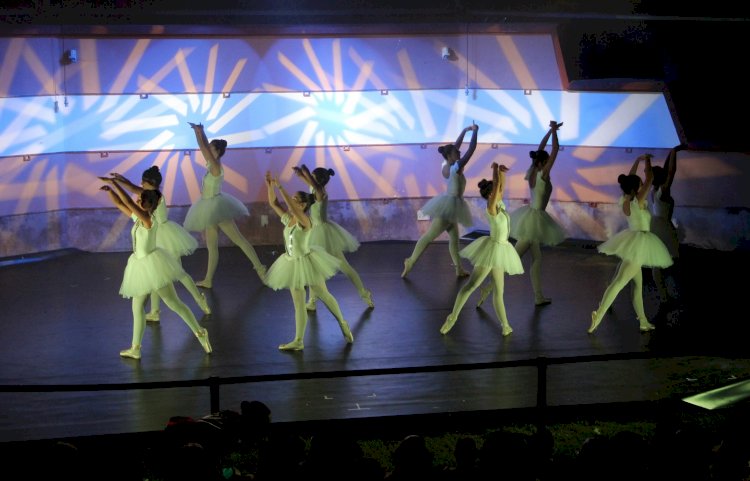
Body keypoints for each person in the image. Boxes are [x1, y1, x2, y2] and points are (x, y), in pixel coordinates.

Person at [99, 176, 212, 359]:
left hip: (152, 267)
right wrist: (111, 191)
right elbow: (121, 204)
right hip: (141, 266)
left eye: (141, 200)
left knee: (174, 303)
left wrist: (115, 184)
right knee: (137, 308)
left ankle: (200, 332)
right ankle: (135, 348)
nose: (137, 200)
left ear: (148, 204)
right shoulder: (138, 217)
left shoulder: (148, 220)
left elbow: (127, 201)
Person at [477, 120, 566, 308]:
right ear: (543, 162)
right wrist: (554, 132)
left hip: (533, 218)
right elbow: (555, 150)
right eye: (547, 160)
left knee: (537, 259)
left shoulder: (532, 170)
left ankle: (538, 296)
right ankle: (488, 286)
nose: (549, 162)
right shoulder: (542, 174)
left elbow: (541, 149)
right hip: (534, 219)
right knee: (512, 258)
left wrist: (550, 132)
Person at [263, 171, 354, 351]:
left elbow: (292, 207)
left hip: (307, 263)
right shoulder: (289, 220)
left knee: (324, 295)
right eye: (293, 198)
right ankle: (298, 340)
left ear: (303, 205)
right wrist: (269, 186)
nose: (292, 202)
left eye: (296, 199)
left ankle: (343, 323)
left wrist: (281, 186)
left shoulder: (305, 221)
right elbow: (273, 203)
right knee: (298, 305)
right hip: (291, 263)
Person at [588, 154, 674, 334]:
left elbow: (631, 178)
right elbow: (650, 178)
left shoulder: (625, 199)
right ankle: (599, 314)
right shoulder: (638, 201)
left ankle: (643, 321)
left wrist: (637, 161)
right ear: (636, 190)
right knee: (619, 283)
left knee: (637, 286)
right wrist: (648, 160)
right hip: (639, 243)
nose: (645, 185)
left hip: (635, 242)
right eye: (641, 186)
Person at [440, 163, 523, 336]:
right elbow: (497, 185)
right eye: (497, 191)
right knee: (471, 286)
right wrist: (494, 170)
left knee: (499, 291)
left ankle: (505, 325)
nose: (501, 192)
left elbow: (501, 186)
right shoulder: (491, 208)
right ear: (491, 195)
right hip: (491, 250)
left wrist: (501, 173)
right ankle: (452, 317)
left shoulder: (500, 204)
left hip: (501, 251)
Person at [183, 122, 266, 289]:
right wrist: (199, 132)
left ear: (217, 152)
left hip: (216, 208)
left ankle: (260, 269)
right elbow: (204, 146)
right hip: (208, 208)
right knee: (211, 246)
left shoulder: (215, 166)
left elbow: (204, 148)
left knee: (239, 240)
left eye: (212, 149)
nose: (208, 151)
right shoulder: (211, 163)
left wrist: (200, 132)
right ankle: (208, 279)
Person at [401, 123, 478, 279]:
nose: (459, 152)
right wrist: (475, 133)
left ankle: (458, 269)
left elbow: (454, 146)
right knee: (429, 236)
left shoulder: (446, 164)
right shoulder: (456, 167)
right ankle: (410, 261)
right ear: (451, 156)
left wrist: (464, 130)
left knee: (454, 240)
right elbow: (471, 149)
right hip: (449, 207)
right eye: (457, 152)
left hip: (452, 206)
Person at [292, 164, 374, 311]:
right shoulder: (314, 188)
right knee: (314, 268)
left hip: (323, 234)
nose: (310, 179)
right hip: (317, 232)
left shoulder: (320, 192)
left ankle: (363, 293)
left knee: (342, 266)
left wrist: (304, 171)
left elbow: (311, 181)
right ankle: (312, 301)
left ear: (318, 180)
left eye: (313, 176)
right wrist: (300, 174)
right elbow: (308, 181)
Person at [650, 144, 684, 304]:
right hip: (663, 227)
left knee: (658, 264)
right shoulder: (662, 192)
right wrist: (673, 152)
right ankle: (664, 295)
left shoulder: (655, 191)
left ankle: (664, 295)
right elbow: (671, 172)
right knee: (663, 263)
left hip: (659, 226)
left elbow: (666, 172)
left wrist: (672, 152)